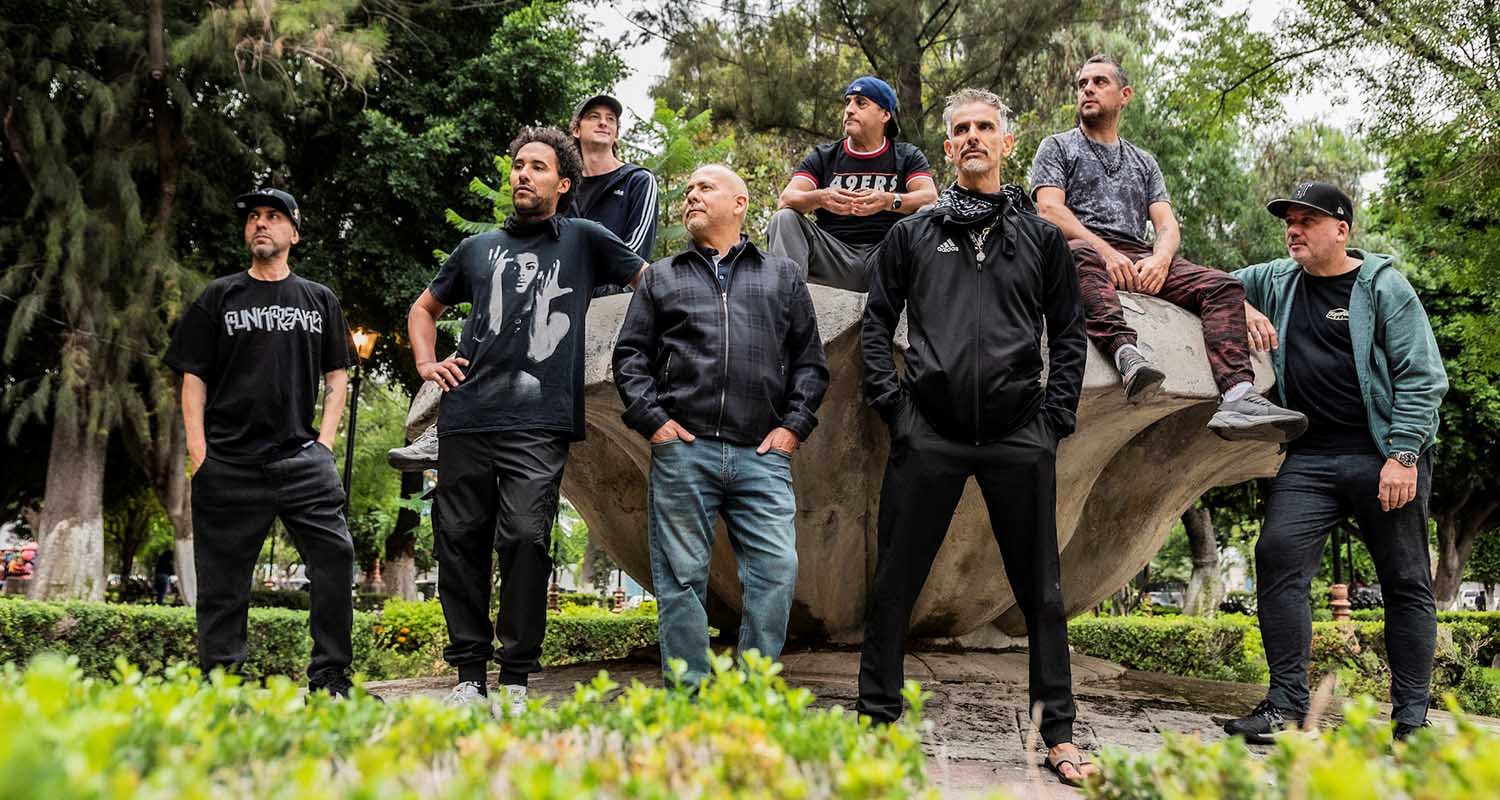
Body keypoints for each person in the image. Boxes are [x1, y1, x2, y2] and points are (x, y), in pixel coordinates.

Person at [858, 88, 1098, 787]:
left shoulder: (1041, 239)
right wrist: (895, 410)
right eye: (960, 128)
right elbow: (876, 324)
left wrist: (1054, 421)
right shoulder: (913, 234)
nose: (972, 137)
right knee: (893, 583)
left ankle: (1058, 735)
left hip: (1019, 434)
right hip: (929, 432)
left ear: (1006, 143)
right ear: (948, 147)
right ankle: (877, 723)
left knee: (1042, 591)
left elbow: (1070, 333)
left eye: (984, 127)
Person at [407, 127, 647, 716]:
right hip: (467, 415)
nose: (524, 174)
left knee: (523, 536)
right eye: (519, 165)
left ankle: (514, 676)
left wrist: (639, 351)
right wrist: (427, 364)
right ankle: (469, 677)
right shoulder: (477, 248)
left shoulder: (584, 239)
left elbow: (649, 283)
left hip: (539, 421)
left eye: (538, 167)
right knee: (458, 541)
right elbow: (424, 308)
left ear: (563, 184)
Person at [1223, 181, 1448, 743]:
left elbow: (1423, 376)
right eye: (1289, 222)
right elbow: (1210, 284)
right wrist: (1241, 305)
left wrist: (1403, 455)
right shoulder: (1276, 280)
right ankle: (1286, 707)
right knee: (1276, 556)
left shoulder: (1385, 287)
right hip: (1311, 457)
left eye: (1307, 221)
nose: (1293, 231)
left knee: (1405, 582)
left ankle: (1411, 721)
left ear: (1341, 230)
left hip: (1383, 456)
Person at [613, 164, 829, 688]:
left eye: (704, 187)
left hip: (762, 455)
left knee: (776, 573)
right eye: (687, 190)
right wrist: (655, 422)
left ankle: (751, 698)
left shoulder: (782, 275)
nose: (691, 195)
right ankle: (686, 700)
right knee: (681, 579)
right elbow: (630, 357)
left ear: (739, 203)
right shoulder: (661, 276)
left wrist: (793, 428)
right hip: (684, 452)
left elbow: (810, 363)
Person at [1029, 54, 1306, 442]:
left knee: (1222, 285)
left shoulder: (1143, 162)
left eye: (1099, 82)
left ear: (1125, 95)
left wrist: (1160, 259)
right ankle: (1126, 354)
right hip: (1081, 247)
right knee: (1078, 253)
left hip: (1137, 254)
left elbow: (1166, 224)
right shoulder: (1058, 146)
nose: (1087, 89)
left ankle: (1238, 395)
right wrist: (1106, 252)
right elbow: (1049, 210)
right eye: (1082, 84)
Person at [388, 93, 661, 471]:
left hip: (603, 297)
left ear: (617, 133)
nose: (603, 122)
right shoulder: (555, 185)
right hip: (549, 295)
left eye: (611, 118)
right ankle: (444, 428)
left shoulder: (637, 181)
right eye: (593, 116)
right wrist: (426, 361)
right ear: (575, 129)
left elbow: (634, 256)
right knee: (491, 329)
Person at [164, 188, 363, 698]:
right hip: (229, 465)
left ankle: (330, 679)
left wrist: (324, 444)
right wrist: (200, 455)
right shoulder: (218, 296)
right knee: (222, 584)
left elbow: (337, 377)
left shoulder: (319, 299)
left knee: (335, 560)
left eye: (273, 216)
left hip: (303, 460)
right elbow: (192, 378)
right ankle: (223, 688)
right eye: (253, 216)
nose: (260, 223)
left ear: (294, 232)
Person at [768, 76, 937, 291]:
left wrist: (888, 200)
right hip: (833, 257)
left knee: (929, 215)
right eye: (847, 102)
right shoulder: (823, 156)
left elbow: (930, 197)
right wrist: (820, 198)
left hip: (887, 257)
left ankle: (929, 303)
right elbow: (786, 199)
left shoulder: (907, 156)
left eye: (861, 103)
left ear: (885, 114)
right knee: (784, 218)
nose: (849, 110)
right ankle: (787, 304)